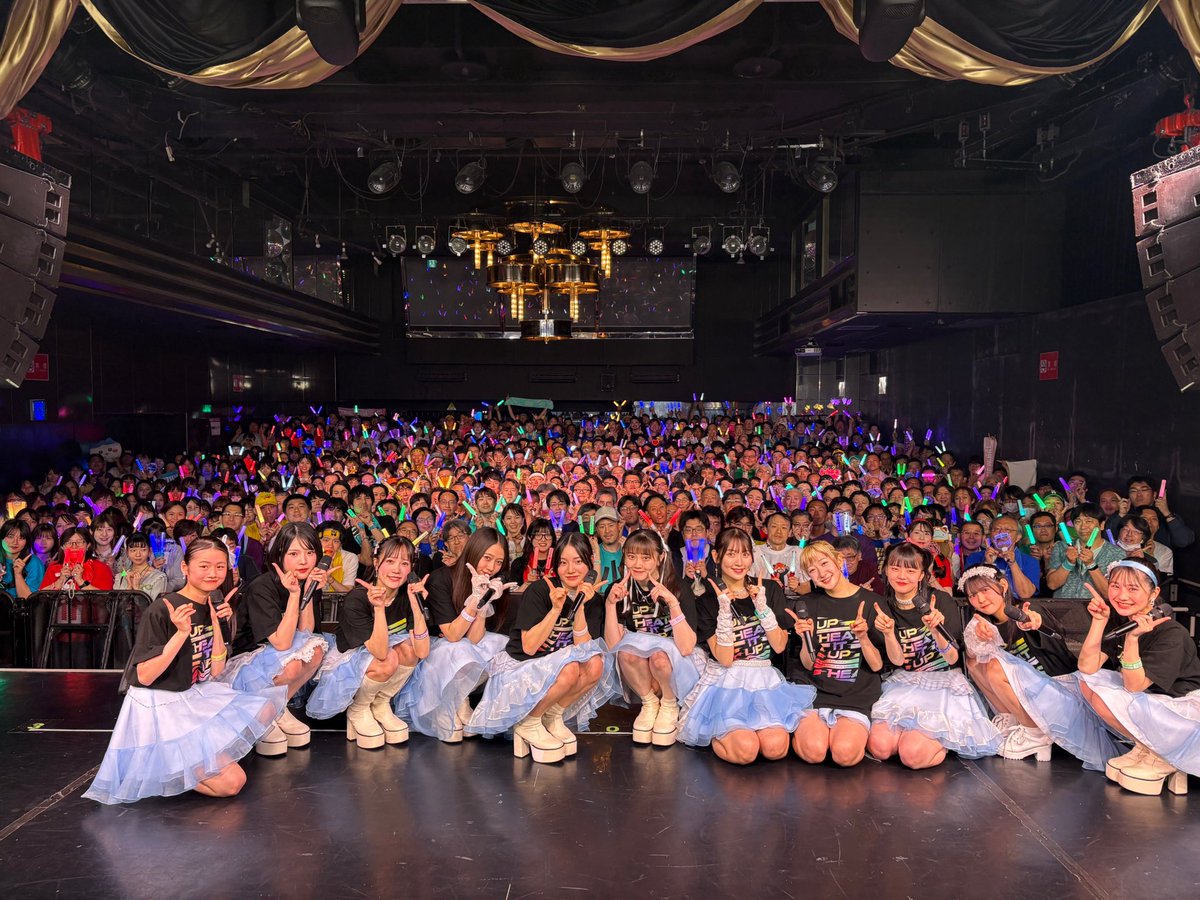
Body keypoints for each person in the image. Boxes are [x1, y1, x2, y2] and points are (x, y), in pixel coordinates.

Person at [82, 538, 285, 804]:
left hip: (192, 693)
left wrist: (218, 624)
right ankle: (158, 763)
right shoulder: (163, 608)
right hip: (160, 703)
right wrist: (180, 634)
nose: (213, 573)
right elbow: (145, 676)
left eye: (220, 567)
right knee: (232, 782)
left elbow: (216, 670)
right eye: (204, 566)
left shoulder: (215, 605)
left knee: (266, 708)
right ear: (185, 568)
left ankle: (188, 759)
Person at [466, 532, 612, 763]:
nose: (570, 570)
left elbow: (583, 648)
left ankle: (552, 715)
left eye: (578, 562)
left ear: (589, 563)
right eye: (563, 563)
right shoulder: (541, 590)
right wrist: (555, 609)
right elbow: (530, 647)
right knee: (571, 667)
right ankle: (529, 722)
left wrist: (581, 606)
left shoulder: (590, 596)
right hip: (521, 668)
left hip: (556, 669)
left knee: (595, 663)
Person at [678, 528, 815, 765]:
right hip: (727, 683)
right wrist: (723, 609)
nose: (739, 562)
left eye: (745, 554)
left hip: (765, 681)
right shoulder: (707, 599)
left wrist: (762, 607)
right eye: (731, 554)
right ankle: (718, 732)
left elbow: (779, 646)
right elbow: (725, 659)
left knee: (776, 748)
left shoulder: (768, 589)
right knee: (746, 751)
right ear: (717, 557)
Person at [958, 564, 1116, 769]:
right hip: (1030, 692)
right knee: (974, 662)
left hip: (1060, 689)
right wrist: (977, 638)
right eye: (972, 595)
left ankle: (1035, 734)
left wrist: (1033, 622)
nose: (980, 599)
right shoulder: (983, 624)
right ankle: (1011, 721)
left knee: (994, 666)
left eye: (985, 590)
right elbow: (972, 658)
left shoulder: (1027, 610)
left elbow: (1036, 620)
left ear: (1003, 585)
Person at [867, 543, 1001, 768]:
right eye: (895, 568)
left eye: (911, 570)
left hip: (943, 683)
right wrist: (889, 633)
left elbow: (952, 659)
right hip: (905, 683)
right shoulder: (882, 605)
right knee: (880, 748)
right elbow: (897, 660)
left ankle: (946, 739)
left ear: (922, 575)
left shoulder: (939, 600)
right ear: (886, 570)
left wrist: (936, 631)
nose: (902, 576)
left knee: (912, 755)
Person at [1077, 560, 1200, 795]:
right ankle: (1145, 747)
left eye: (1132, 588)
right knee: (1087, 684)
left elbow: (1134, 686)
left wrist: (1132, 639)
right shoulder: (1122, 620)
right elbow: (1087, 666)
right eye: (1115, 586)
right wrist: (1099, 622)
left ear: (1154, 593)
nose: (1122, 596)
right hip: (1152, 702)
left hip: (1183, 709)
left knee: (1104, 698)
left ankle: (1164, 754)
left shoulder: (1172, 633)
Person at [305, 536, 430, 748]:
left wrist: (417, 606)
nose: (397, 570)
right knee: (388, 658)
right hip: (350, 659)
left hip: (382, 657)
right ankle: (359, 708)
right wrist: (379, 608)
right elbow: (380, 652)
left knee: (409, 650)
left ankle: (380, 704)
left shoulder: (407, 596)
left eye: (404, 563)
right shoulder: (357, 597)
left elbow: (423, 651)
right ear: (376, 562)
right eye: (390, 561)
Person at [221, 522, 329, 756]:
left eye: (310, 552)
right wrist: (294, 595)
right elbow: (281, 642)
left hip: (278, 653)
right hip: (247, 661)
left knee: (316, 650)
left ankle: (278, 708)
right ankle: (263, 716)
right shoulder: (262, 586)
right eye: (294, 554)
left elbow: (306, 632)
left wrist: (308, 592)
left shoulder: (307, 581)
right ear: (280, 554)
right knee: (293, 664)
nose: (304, 561)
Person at [398, 527, 514, 743]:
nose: (492, 567)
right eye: (487, 558)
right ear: (473, 551)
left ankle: (461, 700)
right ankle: (445, 708)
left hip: (463, 645)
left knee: (501, 645)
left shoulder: (489, 582)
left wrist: (484, 602)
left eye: (499, 562)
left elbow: (474, 639)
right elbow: (452, 634)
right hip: (435, 649)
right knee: (459, 647)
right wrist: (474, 600)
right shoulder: (441, 578)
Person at [789, 541, 885, 767]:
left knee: (844, 754)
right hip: (815, 692)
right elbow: (808, 664)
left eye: (824, 564)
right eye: (813, 570)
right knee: (814, 752)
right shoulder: (806, 604)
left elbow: (877, 665)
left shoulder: (872, 602)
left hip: (855, 694)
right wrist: (805, 637)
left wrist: (863, 638)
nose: (821, 573)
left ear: (839, 561)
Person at [603, 531, 699, 747]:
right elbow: (613, 646)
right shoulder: (619, 589)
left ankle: (669, 704)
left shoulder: (678, 587)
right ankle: (649, 704)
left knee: (658, 656)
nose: (637, 564)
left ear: (660, 558)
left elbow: (686, 647)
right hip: (640, 667)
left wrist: (673, 603)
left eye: (646, 558)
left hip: (674, 661)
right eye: (631, 557)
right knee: (626, 651)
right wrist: (610, 604)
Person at [1045, 504, 1124, 599]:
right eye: (1078, 522)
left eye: (1088, 521)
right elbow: (1052, 584)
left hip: (1096, 607)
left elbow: (1111, 594)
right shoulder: (1061, 547)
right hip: (1062, 606)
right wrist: (1068, 563)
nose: (1083, 527)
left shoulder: (1117, 553)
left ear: (1102, 525)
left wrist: (1091, 565)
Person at [1, 519, 45, 599]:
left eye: (21, 538)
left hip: (20, 605)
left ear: (26, 541)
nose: (15, 542)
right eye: (10, 536)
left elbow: (28, 599)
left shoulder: (34, 563)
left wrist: (18, 574)